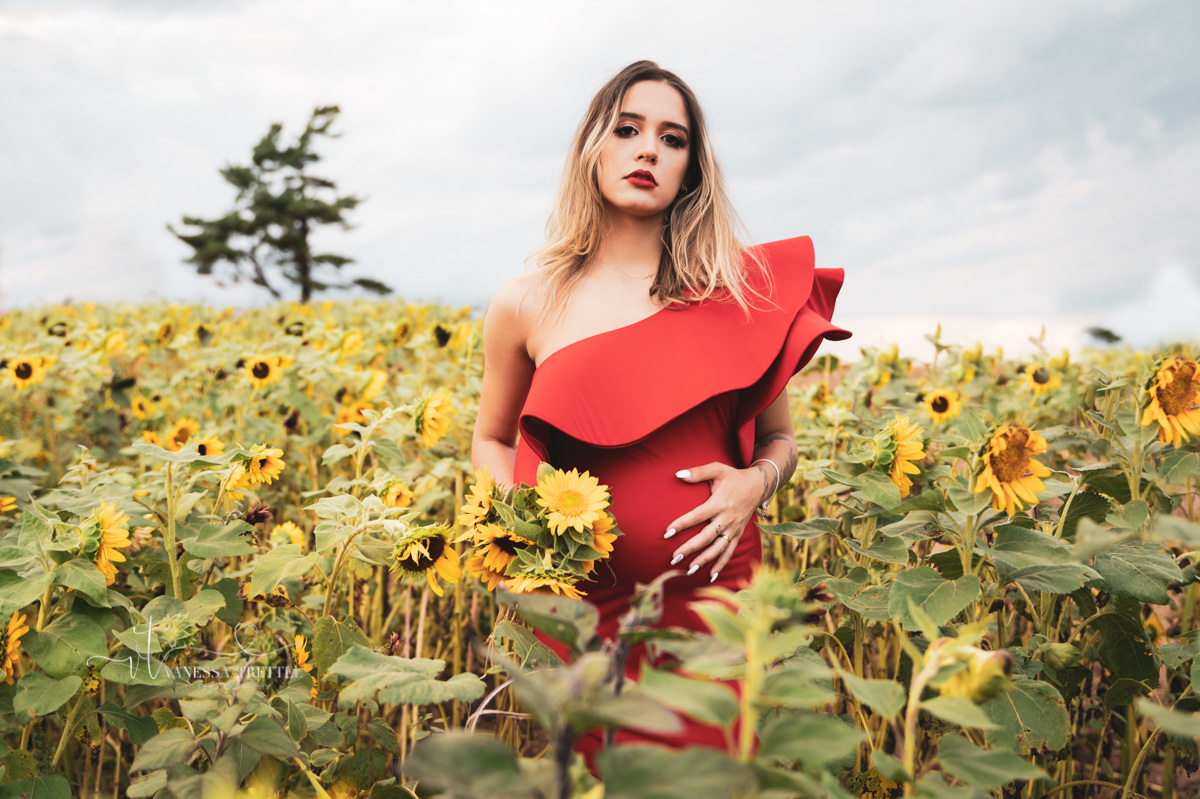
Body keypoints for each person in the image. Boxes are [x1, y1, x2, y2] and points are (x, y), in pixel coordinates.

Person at [470, 60, 851, 765]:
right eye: (628, 129)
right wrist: (533, 525)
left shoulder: (737, 295)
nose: (648, 149)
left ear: (690, 171)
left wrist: (753, 484)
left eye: (672, 139)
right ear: (595, 148)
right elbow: (492, 439)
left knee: (709, 774)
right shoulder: (526, 302)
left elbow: (780, 442)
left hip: (714, 594)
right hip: (583, 604)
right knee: (596, 771)